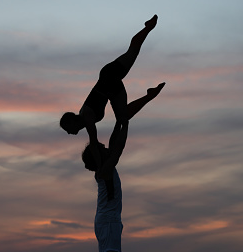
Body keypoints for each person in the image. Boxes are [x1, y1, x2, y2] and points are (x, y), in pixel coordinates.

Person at [61, 14, 165, 170]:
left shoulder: (87, 117)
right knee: (123, 117)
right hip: (108, 79)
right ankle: (150, 95)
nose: (70, 133)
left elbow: (94, 144)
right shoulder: (84, 115)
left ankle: (149, 27)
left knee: (124, 117)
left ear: (72, 122)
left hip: (109, 81)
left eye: (68, 129)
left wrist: (99, 166)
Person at [81, 120, 129, 252]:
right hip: (108, 222)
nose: (106, 149)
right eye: (102, 149)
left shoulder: (104, 170)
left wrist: (120, 123)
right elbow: (118, 147)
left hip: (106, 221)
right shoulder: (105, 170)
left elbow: (113, 143)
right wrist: (124, 125)